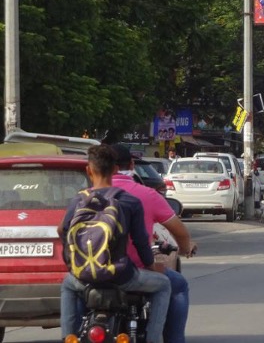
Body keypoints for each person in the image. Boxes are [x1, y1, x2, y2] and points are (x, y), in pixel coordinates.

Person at [58, 145, 171, 343]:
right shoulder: (129, 201)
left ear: (88, 170)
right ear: (116, 170)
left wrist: (72, 263)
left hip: (84, 277)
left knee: (67, 285)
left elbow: (62, 230)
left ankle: (68, 337)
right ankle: (153, 339)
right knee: (164, 285)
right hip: (121, 276)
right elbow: (141, 241)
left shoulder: (78, 200)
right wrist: (151, 266)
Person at [111, 144, 198, 343]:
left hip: (95, 270)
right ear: (131, 165)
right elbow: (179, 231)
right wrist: (186, 248)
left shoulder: (87, 195)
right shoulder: (145, 195)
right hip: (135, 271)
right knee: (177, 285)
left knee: (73, 287)